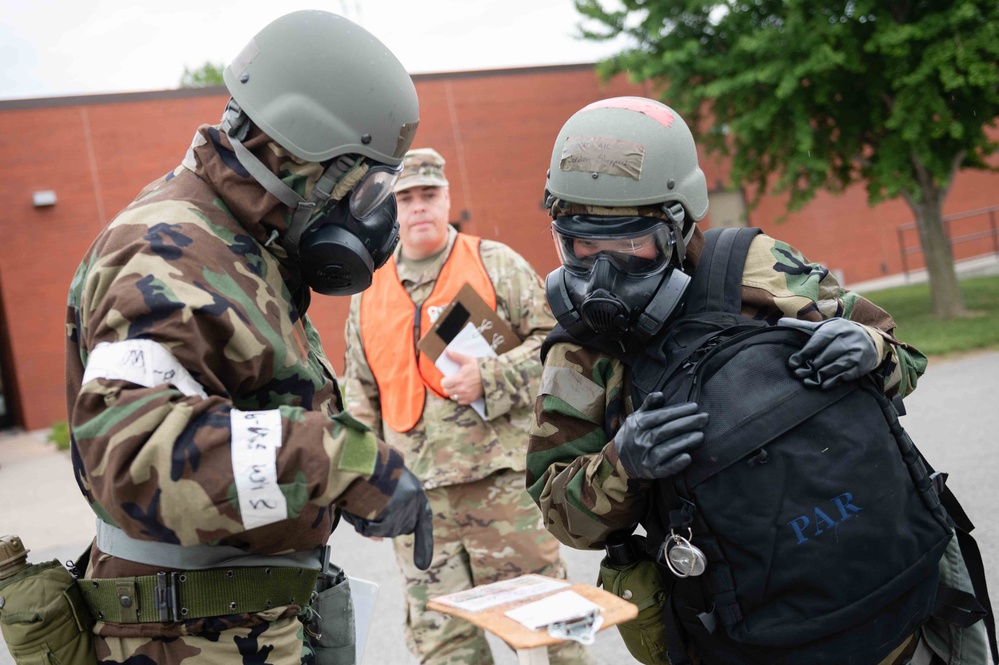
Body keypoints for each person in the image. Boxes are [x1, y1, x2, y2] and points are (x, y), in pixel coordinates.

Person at [64, 10, 433, 664]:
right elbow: (132, 452)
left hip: (243, 625)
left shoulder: (244, 247)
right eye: (366, 184)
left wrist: (323, 482)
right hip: (185, 640)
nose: (372, 217)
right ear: (303, 154)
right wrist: (342, 464)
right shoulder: (165, 252)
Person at [525, 97, 941, 664]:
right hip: (742, 632)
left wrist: (870, 349)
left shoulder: (761, 268)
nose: (601, 273)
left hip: (886, 602)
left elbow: (905, 360)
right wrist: (624, 465)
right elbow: (562, 518)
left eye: (629, 244)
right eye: (581, 245)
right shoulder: (580, 350)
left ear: (677, 225)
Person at [342, 148, 594, 665]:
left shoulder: (494, 263)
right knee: (444, 647)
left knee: (551, 634)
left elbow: (561, 347)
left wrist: (494, 376)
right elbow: (359, 393)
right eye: (404, 197)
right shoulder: (368, 292)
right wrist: (366, 479)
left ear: (447, 197)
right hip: (419, 503)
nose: (417, 208)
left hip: (501, 487)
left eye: (428, 195)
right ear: (388, 206)